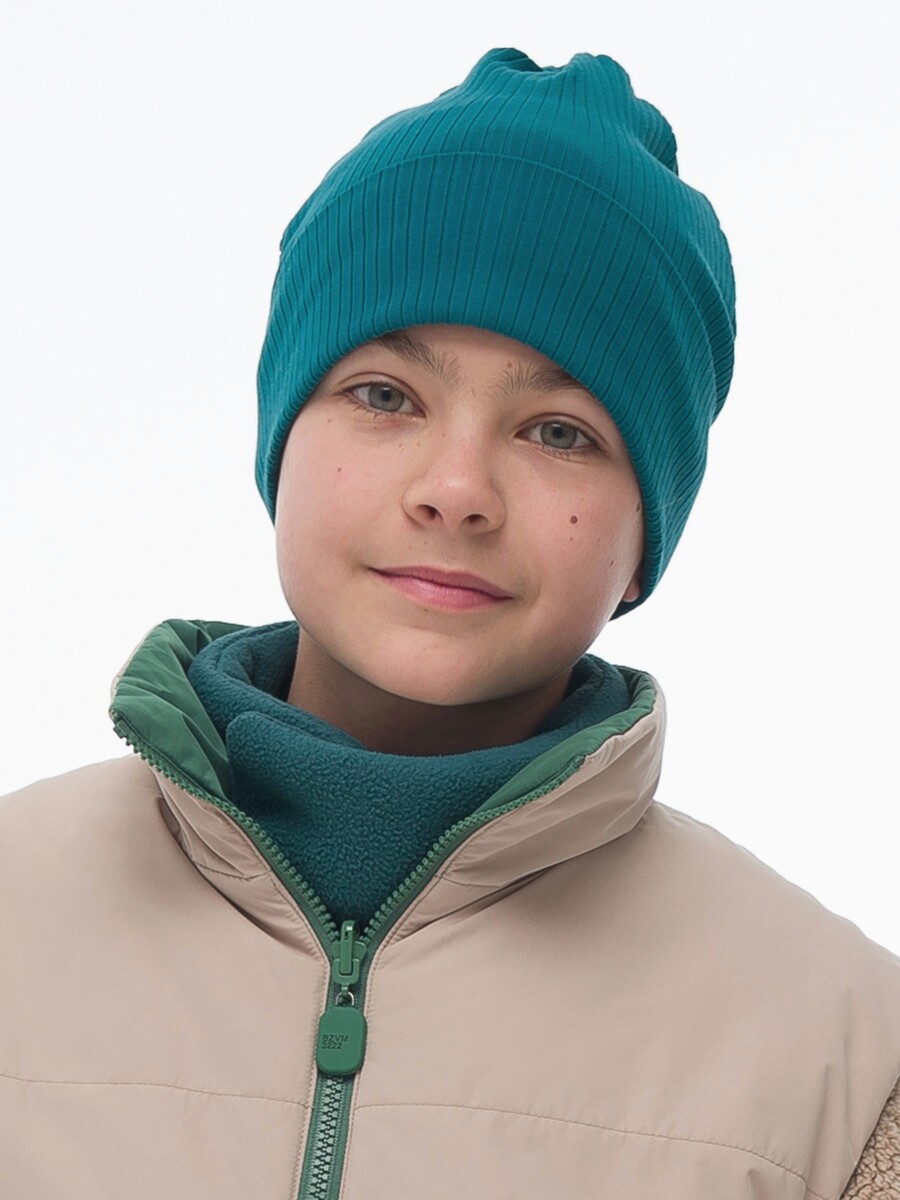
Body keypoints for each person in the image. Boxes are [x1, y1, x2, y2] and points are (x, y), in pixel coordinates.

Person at [2, 47, 898, 1199]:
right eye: (385, 396)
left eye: (560, 432)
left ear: (645, 536)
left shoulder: (840, 1061)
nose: (456, 488)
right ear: (282, 445)